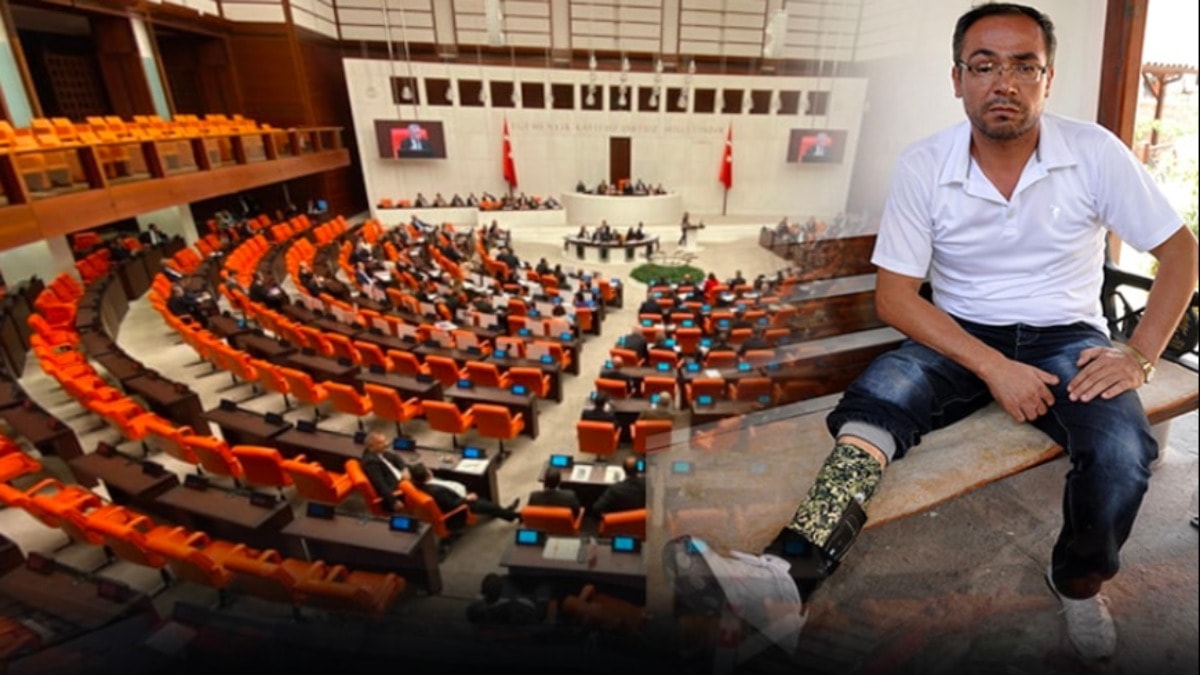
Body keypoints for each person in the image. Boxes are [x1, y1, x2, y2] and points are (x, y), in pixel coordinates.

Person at [782, 4, 1197, 664]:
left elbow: (1180, 252)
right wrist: (993, 367)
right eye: (984, 66)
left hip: (1067, 337)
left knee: (1122, 453)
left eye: (1024, 66)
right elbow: (895, 296)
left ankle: (1078, 582)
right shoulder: (925, 164)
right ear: (958, 79)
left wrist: (1139, 354)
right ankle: (790, 572)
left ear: (1048, 79)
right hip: (960, 333)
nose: (1004, 82)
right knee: (882, 396)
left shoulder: (1093, 152)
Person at [405, 462, 520, 531]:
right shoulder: (436, 492)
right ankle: (514, 515)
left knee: (485, 499)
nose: (429, 469)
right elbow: (452, 505)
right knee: (490, 506)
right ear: (427, 474)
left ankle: (500, 511)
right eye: (427, 469)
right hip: (461, 505)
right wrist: (467, 499)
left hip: (455, 493)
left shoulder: (418, 484)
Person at [359, 432, 410, 512]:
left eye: (385, 441)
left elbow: (396, 458)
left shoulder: (378, 451)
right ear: (371, 446)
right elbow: (381, 485)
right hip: (396, 488)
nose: (386, 444)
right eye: (381, 443)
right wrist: (393, 502)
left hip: (401, 478)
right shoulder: (371, 463)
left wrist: (404, 469)